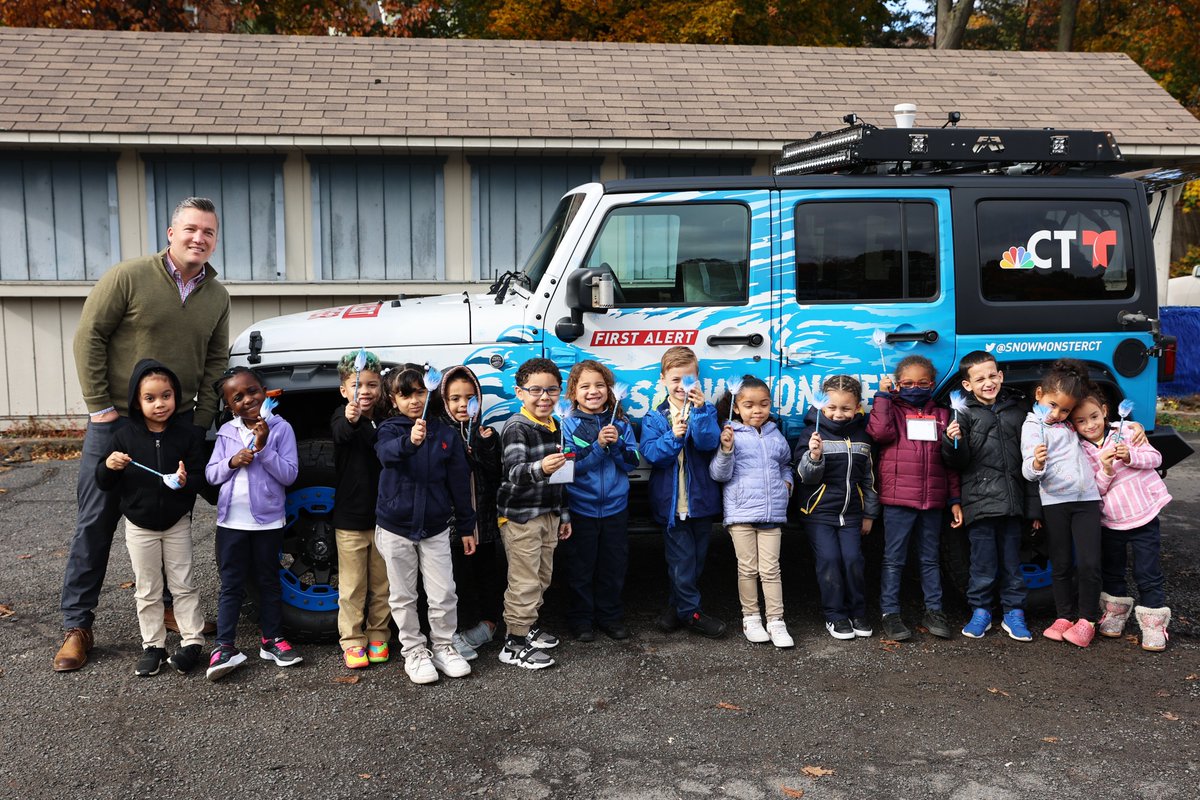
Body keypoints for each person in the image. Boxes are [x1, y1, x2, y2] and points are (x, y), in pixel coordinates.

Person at [56, 196, 229, 673]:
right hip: (116, 425)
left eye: (209, 232)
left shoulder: (217, 296)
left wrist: (196, 425)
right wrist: (100, 408)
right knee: (96, 522)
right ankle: (77, 625)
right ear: (171, 233)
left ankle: (172, 609)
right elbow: (89, 336)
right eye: (191, 229)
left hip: (177, 426)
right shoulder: (128, 277)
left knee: (169, 516)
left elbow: (216, 362)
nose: (199, 238)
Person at [95, 359, 208, 677]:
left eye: (166, 395)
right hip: (139, 526)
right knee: (147, 588)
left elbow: (201, 477)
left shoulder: (187, 435)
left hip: (176, 523)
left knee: (183, 584)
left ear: (176, 396)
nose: (160, 404)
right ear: (136, 400)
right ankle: (153, 646)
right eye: (150, 398)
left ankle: (192, 642)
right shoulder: (123, 437)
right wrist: (110, 466)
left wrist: (187, 481)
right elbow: (103, 481)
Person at [373, 365, 477, 684]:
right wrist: (409, 442)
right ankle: (414, 651)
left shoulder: (445, 433)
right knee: (403, 595)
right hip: (395, 526)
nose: (414, 400)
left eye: (420, 392)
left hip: (435, 526)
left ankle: (444, 646)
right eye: (406, 395)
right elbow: (385, 455)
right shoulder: (389, 429)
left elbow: (460, 483)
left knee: (444, 591)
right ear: (393, 399)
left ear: (431, 393)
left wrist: (467, 525)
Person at [204, 367, 302, 681]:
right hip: (232, 522)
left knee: (268, 581)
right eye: (238, 397)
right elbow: (211, 475)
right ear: (230, 406)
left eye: (253, 391)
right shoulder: (227, 433)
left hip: (268, 522)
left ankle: (271, 639)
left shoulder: (281, 428)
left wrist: (262, 448)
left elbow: (289, 474)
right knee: (231, 584)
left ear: (264, 390)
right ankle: (224, 646)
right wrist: (232, 461)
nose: (248, 400)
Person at [942, 351, 1038, 643]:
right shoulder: (963, 414)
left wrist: (1034, 510)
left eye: (992, 375)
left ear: (1001, 376)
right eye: (979, 378)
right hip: (979, 503)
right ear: (967, 385)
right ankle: (980, 611)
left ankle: (1015, 612)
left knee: (1012, 562)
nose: (988, 382)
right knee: (981, 563)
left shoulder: (1017, 411)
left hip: (1012, 503)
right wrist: (952, 441)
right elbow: (957, 464)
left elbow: (1030, 460)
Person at [866, 355, 962, 641]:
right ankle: (890, 613)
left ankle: (934, 610)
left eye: (922, 383)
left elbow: (950, 462)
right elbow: (879, 433)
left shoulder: (943, 415)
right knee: (893, 559)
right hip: (897, 499)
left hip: (932, 500)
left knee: (929, 559)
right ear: (897, 384)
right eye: (907, 383)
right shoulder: (892, 410)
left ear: (932, 384)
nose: (915, 387)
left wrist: (954, 498)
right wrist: (883, 396)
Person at [1070, 389, 1173, 651]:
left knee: (1147, 572)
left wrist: (1131, 456)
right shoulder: (1080, 451)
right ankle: (1115, 614)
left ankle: (1153, 625)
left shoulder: (1126, 431)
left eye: (1094, 416)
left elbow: (1156, 458)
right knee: (1113, 570)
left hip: (1144, 516)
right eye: (1081, 421)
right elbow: (1094, 490)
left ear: (1105, 411)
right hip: (1112, 520)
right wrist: (1105, 469)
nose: (1090, 425)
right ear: (1074, 425)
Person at [641, 346, 725, 638]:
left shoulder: (708, 410)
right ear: (663, 380)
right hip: (671, 505)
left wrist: (700, 414)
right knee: (680, 561)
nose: (682, 386)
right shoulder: (655, 417)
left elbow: (707, 443)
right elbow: (653, 454)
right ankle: (693, 614)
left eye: (688, 379)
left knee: (696, 560)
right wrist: (673, 436)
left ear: (698, 380)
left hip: (700, 502)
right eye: (675, 379)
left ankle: (675, 609)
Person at [496, 357, 573, 669]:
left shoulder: (557, 426)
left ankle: (526, 629)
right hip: (521, 517)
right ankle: (513, 643)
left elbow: (562, 479)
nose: (544, 397)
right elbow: (514, 471)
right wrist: (540, 467)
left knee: (541, 577)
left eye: (552, 390)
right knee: (524, 581)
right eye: (536, 390)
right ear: (520, 392)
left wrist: (563, 514)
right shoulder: (517, 427)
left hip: (548, 514)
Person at [1021, 359, 1104, 647]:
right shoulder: (1032, 426)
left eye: (1065, 409)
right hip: (1055, 501)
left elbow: (1098, 427)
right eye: (1052, 405)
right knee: (1061, 562)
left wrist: (1131, 428)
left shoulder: (1070, 424)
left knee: (1090, 562)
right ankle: (1064, 615)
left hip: (1087, 499)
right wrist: (1036, 463)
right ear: (1039, 395)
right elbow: (1027, 470)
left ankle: (1087, 619)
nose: (1057, 413)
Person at [710, 375, 794, 648]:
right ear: (736, 407)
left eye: (764, 404)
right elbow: (719, 474)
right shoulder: (729, 433)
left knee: (771, 569)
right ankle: (751, 617)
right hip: (742, 513)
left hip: (772, 514)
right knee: (747, 569)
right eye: (749, 405)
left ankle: (777, 621)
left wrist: (787, 484)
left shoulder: (775, 434)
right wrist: (726, 449)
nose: (757, 410)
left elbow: (785, 464)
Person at [560, 360, 640, 642]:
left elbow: (632, 463)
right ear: (573, 392)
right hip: (582, 508)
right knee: (581, 567)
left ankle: (610, 617)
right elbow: (570, 467)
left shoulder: (621, 423)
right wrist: (598, 446)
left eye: (599, 385)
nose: (593, 391)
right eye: (585, 386)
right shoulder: (568, 425)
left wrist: (616, 443)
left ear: (610, 390)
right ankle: (581, 619)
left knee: (613, 565)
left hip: (616, 509)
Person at [796, 375, 879, 641]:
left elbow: (870, 479)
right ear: (821, 406)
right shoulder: (812, 433)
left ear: (857, 408)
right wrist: (813, 457)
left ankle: (858, 613)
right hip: (819, 513)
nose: (838, 413)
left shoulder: (863, 437)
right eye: (832, 408)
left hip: (852, 514)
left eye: (846, 408)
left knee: (853, 560)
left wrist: (869, 514)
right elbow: (805, 477)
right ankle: (835, 615)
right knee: (829, 561)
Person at [330, 350, 391, 670]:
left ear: (381, 388)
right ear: (344, 390)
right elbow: (341, 433)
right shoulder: (342, 417)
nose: (364, 391)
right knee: (352, 586)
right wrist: (353, 418)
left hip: (384, 518)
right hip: (350, 520)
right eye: (356, 385)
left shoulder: (384, 421)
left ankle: (379, 633)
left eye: (371, 385)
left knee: (383, 583)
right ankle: (352, 640)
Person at [438, 364, 504, 659]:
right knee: (456, 581)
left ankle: (487, 625)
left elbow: (495, 475)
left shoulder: (486, 433)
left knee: (487, 576)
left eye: (469, 397)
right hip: (454, 528)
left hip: (485, 525)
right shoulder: (438, 434)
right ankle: (453, 633)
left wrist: (484, 448)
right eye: (455, 398)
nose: (463, 404)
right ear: (444, 401)